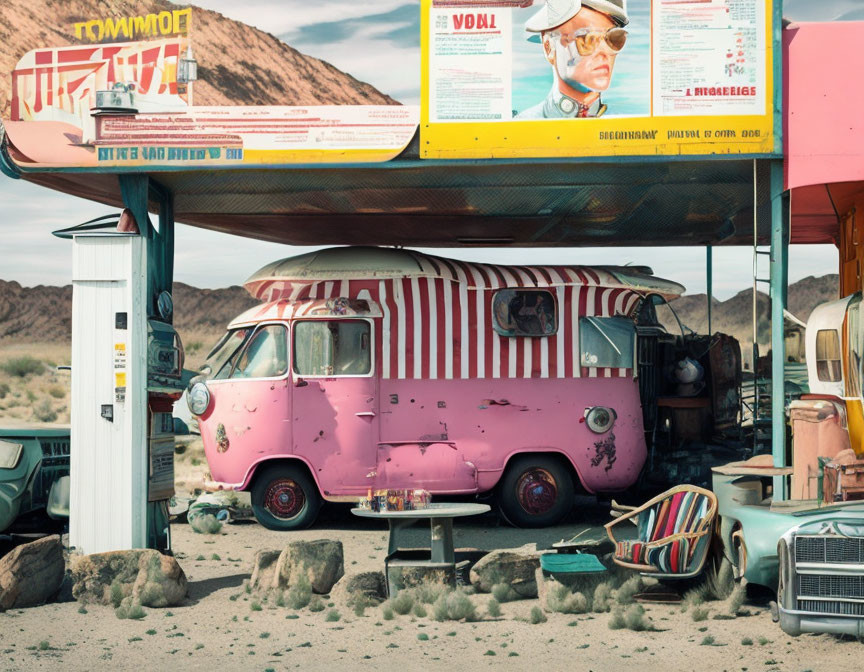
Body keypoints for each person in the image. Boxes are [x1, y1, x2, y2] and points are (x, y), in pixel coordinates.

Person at [517, 0, 629, 119]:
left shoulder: (626, 124)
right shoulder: (524, 123)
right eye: (586, 38)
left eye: (614, 39)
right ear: (549, 47)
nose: (604, 51)